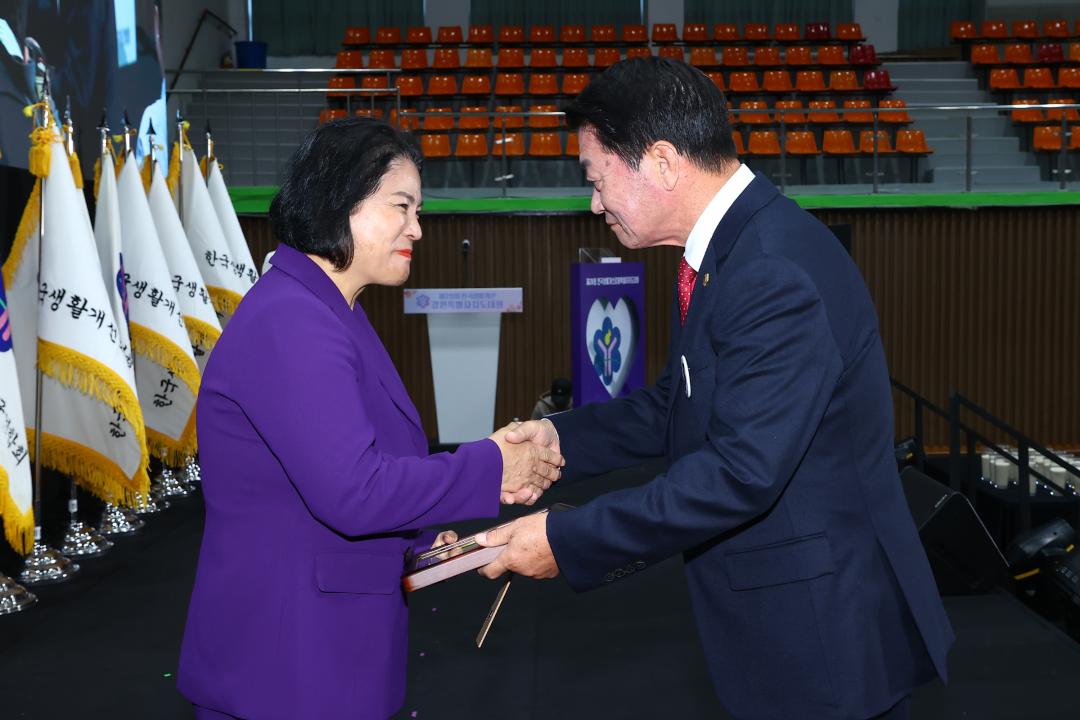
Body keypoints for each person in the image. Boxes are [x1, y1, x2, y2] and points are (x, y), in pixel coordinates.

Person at [477, 58, 954, 720]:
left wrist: (568, 540)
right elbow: (678, 402)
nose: (593, 202)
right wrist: (560, 438)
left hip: (822, 638)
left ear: (664, 162)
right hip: (792, 623)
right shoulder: (732, 251)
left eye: (597, 178)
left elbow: (741, 472)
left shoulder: (769, 271)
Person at [177, 117, 563, 720]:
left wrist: (417, 538)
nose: (417, 227)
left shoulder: (333, 309)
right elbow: (354, 490)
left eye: (418, 209)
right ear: (339, 201)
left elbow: (359, 468)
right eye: (401, 206)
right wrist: (493, 463)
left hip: (324, 645)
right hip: (286, 663)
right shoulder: (293, 320)